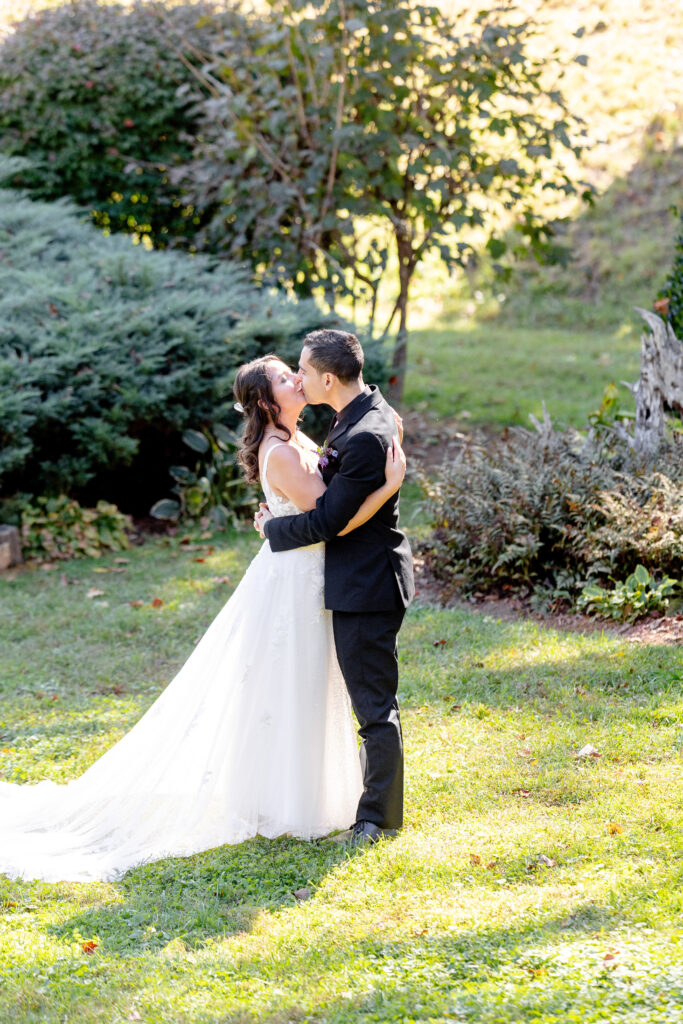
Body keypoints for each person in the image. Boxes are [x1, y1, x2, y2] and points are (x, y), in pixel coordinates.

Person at [0, 353, 406, 883]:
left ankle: (306, 792)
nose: (297, 379)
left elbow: (329, 482)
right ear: (266, 401)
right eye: (286, 377)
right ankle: (283, 799)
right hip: (295, 581)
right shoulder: (281, 452)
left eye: (296, 371)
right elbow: (331, 517)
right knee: (288, 684)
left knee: (299, 687)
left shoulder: (303, 437)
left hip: (309, 576)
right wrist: (387, 486)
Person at [256, 329, 414, 846]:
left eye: (301, 370)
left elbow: (329, 521)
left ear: (327, 378)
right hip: (359, 576)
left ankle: (377, 818)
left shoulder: (366, 433)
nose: (297, 379)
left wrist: (271, 529)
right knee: (370, 698)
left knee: (373, 704)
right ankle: (372, 805)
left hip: (367, 583)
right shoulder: (362, 413)